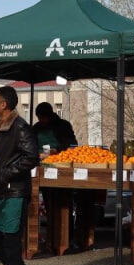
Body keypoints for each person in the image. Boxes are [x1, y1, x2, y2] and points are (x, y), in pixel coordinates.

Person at [0, 86, 39, 265]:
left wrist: (7, 173)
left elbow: (32, 156)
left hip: (14, 191)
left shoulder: (20, 127)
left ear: (4, 104)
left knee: (11, 238)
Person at [33, 101, 92, 252]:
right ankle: (51, 238)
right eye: (39, 118)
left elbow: (72, 145)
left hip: (62, 170)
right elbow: (31, 145)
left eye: (43, 118)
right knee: (48, 204)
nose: (42, 121)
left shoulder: (63, 126)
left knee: (64, 204)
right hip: (43, 169)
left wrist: (57, 150)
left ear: (50, 115)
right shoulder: (36, 128)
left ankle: (66, 236)